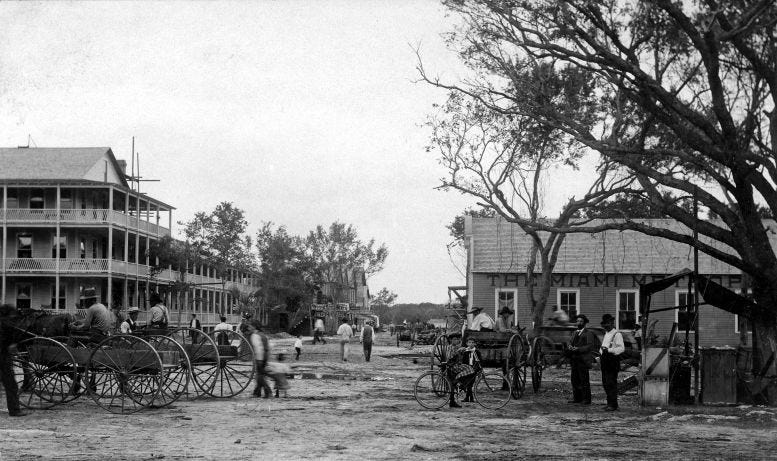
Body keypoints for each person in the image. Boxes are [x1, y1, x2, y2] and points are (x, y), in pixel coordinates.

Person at [566, 314, 599, 405]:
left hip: (583, 359)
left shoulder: (588, 333)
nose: (579, 323)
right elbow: (569, 342)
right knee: (574, 379)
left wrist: (578, 349)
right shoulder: (574, 333)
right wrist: (569, 346)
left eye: (581, 321)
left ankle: (586, 399)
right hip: (574, 359)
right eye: (578, 321)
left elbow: (590, 346)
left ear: (584, 323)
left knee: (584, 380)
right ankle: (577, 398)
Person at [0, 304, 25, 416]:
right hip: (3, 357)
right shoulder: (7, 324)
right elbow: (11, 342)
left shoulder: (4, 323)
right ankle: (14, 410)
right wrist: (13, 344)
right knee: (11, 384)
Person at [447, 336, 482, 408]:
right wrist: (460, 352)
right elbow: (460, 359)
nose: (471, 344)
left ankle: (469, 397)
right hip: (455, 366)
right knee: (468, 379)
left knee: (470, 383)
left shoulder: (476, 351)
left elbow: (479, 360)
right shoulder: (453, 348)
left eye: (472, 342)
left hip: (472, 367)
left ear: (475, 344)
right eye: (469, 342)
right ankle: (459, 387)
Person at [600, 314, 625, 411]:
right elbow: (603, 346)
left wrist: (609, 350)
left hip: (612, 361)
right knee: (605, 383)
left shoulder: (617, 334)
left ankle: (613, 405)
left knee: (611, 383)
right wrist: (600, 354)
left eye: (607, 324)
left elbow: (621, 348)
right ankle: (609, 403)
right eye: (604, 324)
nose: (605, 326)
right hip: (605, 360)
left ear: (611, 323)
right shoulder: (606, 334)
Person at [248, 319, 272, 398]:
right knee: (260, 374)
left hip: (260, 357)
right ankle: (257, 392)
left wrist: (259, 359)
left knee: (260, 376)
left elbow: (258, 348)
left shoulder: (254, 336)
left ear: (254, 327)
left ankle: (268, 391)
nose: (248, 327)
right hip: (265, 356)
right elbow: (269, 346)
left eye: (250, 326)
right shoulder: (263, 334)